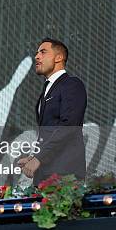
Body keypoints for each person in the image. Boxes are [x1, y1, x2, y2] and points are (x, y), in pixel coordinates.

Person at [18, 38, 87, 184]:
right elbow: (49, 133)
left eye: (43, 52)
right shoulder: (46, 89)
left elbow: (68, 126)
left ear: (59, 57)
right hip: (45, 175)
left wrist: (39, 158)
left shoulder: (71, 84)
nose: (37, 56)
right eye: (37, 53)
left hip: (65, 175)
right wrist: (33, 156)